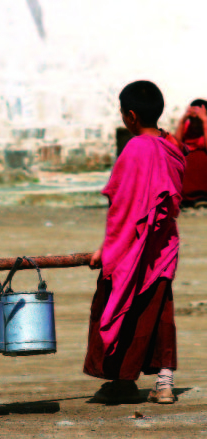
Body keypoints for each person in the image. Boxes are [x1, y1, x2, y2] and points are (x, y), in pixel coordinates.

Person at [85, 81, 186, 405]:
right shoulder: (170, 146)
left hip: (132, 246)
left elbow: (124, 207)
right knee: (159, 311)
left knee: (119, 305)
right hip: (163, 246)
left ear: (129, 116)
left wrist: (108, 248)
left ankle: (123, 380)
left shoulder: (135, 149)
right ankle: (164, 383)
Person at [175, 99, 207, 207]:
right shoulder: (187, 127)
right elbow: (176, 147)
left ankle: (201, 196)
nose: (194, 124)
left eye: (197, 120)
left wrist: (204, 122)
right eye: (192, 120)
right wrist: (183, 121)